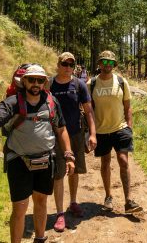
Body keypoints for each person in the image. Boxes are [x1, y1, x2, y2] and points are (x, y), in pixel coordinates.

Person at [0, 64, 75, 243]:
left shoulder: (51, 102)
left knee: (41, 200)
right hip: (18, 161)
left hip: (45, 159)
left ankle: (40, 238)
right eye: (32, 79)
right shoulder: (12, 102)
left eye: (40, 80)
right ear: (25, 81)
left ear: (44, 82)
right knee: (20, 207)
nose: (36, 83)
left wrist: (68, 154)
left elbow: (61, 129)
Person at [88, 51, 143, 214]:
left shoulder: (121, 81)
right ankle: (108, 196)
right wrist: (90, 132)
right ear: (99, 64)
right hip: (101, 130)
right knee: (105, 163)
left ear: (114, 65)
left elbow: (128, 106)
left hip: (120, 128)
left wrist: (130, 127)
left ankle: (128, 201)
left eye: (110, 63)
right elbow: (88, 110)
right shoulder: (90, 83)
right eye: (104, 62)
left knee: (123, 161)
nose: (107, 65)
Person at [50, 52, 97, 231]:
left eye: (71, 64)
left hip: (76, 134)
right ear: (58, 64)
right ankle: (60, 213)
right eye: (65, 64)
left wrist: (93, 134)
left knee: (74, 170)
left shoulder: (79, 85)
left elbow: (89, 111)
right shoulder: (49, 84)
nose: (68, 67)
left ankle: (73, 202)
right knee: (58, 174)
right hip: (55, 136)